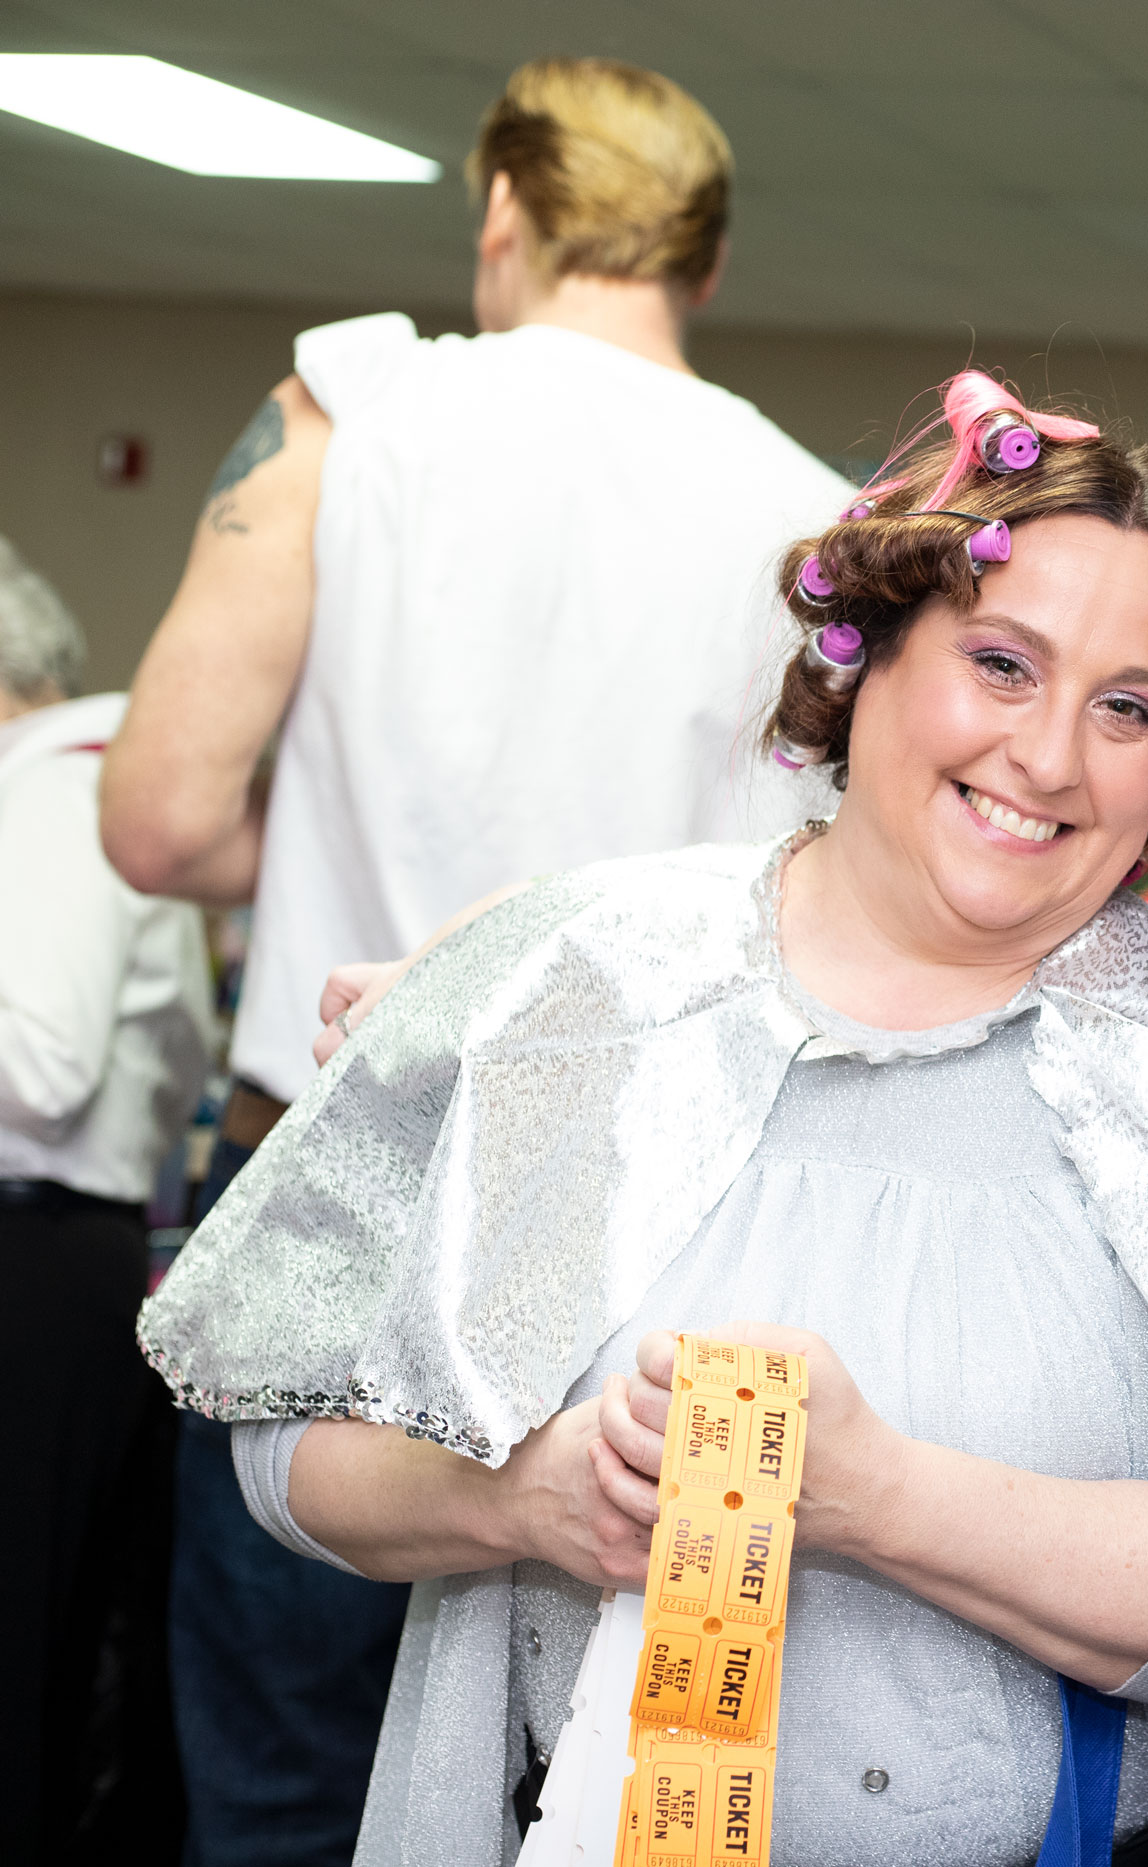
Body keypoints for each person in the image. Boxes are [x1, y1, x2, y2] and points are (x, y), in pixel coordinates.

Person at [137, 377, 1148, 1867]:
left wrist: (887, 1499)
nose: (1050, 757)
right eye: (1002, 664)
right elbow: (285, 1448)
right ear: (871, 651)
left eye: (1127, 708)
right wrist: (525, 1499)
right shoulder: (590, 977)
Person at [96, 59, 849, 1859]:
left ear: (502, 213)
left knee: (280, 1777)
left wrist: (331, 862)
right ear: (704, 264)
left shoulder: (351, 411)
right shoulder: (819, 518)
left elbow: (163, 820)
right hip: (635, 1211)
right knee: (574, 1781)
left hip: (340, 1165)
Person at [0, 537, 212, 1859]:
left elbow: (39, 1065)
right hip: (69, 1254)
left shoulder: (54, 788)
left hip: (31, 1243)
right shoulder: (84, 783)